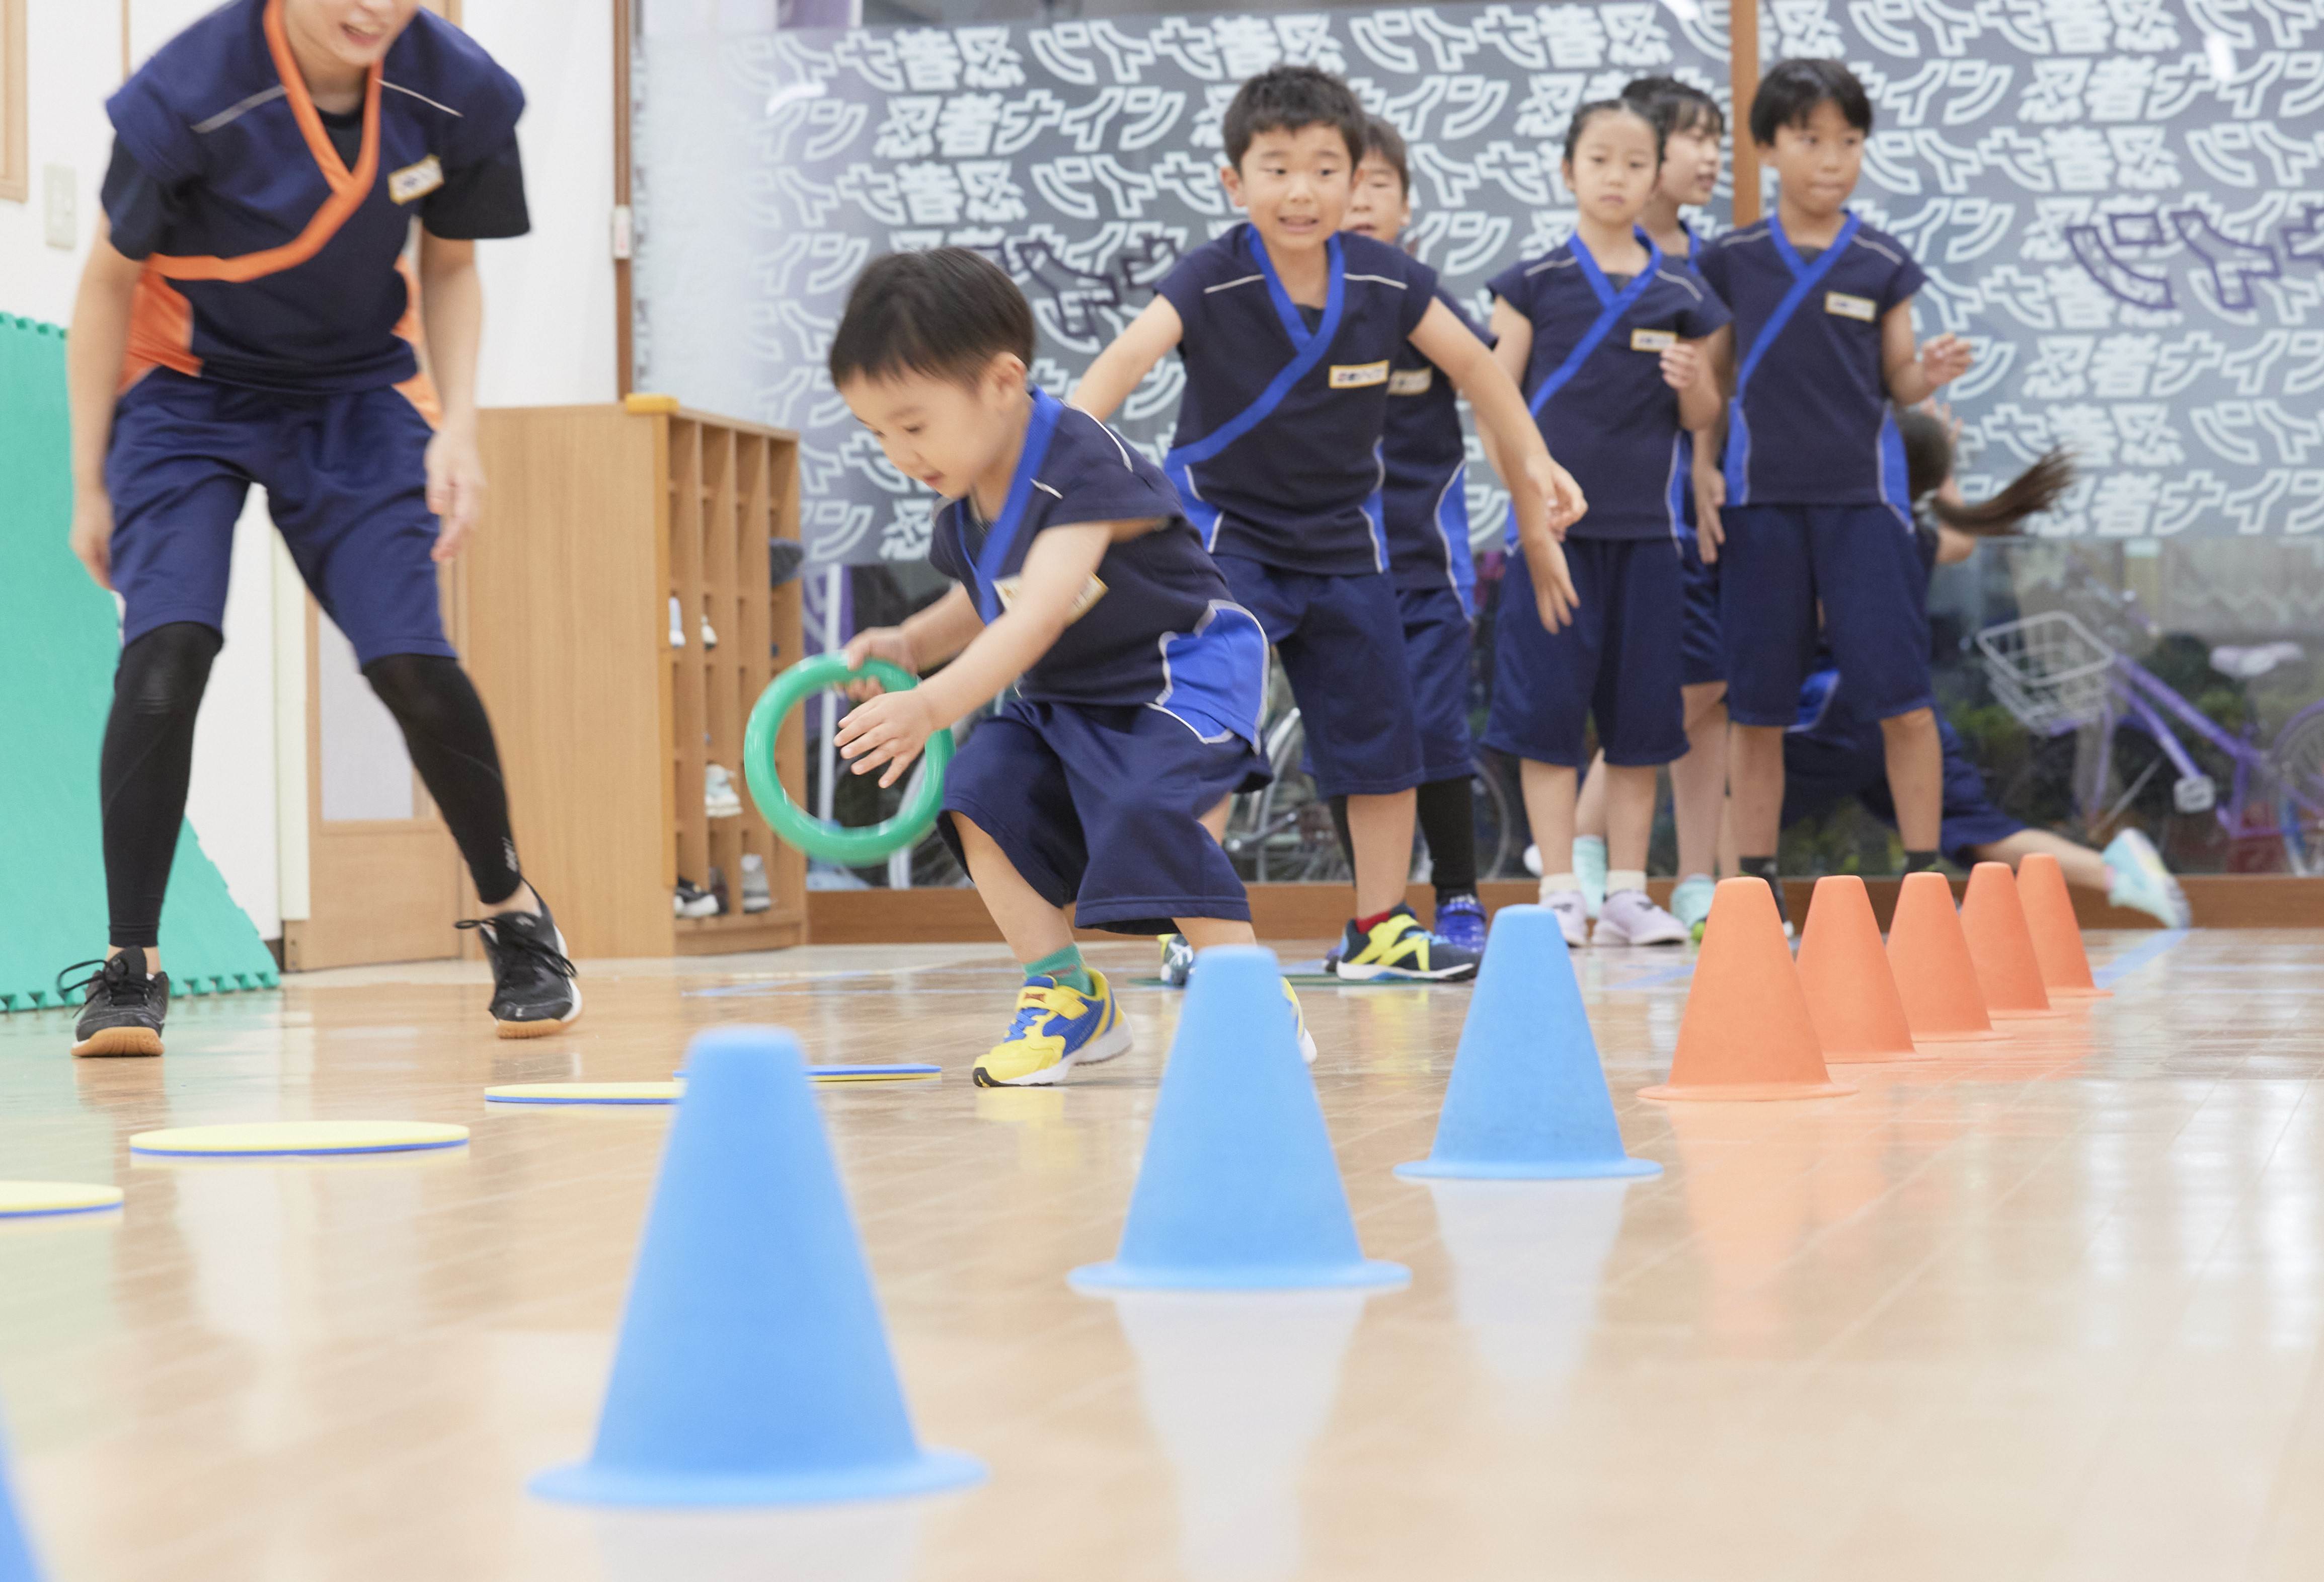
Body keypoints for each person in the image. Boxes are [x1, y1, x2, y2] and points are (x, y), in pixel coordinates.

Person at [59, 0, 576, 1057]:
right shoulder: (187, 94)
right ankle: (130, 966)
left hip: (353, 397)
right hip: (186, 390)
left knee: (410, 661)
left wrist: (457, 427)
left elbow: (450, 266)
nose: (370, 9)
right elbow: (107, 284)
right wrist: (90, 481)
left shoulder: (454, 88)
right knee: (168, 649)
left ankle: (515, 911)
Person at [1074, 65, 1585, 982]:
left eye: (1322, 168)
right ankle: (1192, 928)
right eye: (1275, 168)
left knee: (1380, 743)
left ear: (1356, 181)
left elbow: (1478, 369)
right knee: (1211, 731)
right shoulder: (1209, 278)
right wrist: (1069, 483)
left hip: (1350, 545)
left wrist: (1535, 458)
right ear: (1234, 184)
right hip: (1228, 543)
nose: (1300, 190)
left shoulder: (1389, 280)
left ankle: (1377, 927)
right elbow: (1118, 365)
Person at [827, 248, 1310, 1087]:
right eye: (877, 434)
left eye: (912, 424)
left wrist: (932, 703)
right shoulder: (966, 494)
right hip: (1066, 695)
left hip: (1179, 675)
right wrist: (912, 642)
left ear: (1002, 382)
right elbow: (990, 598)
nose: (899, 452)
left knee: (1144, 801)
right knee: (977, 797)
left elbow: (1042, 605)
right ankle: (1065, 994)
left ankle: (1242, 987)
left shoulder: (1078, 461)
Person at [1694, 58, 1974, 930]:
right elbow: (1709, 377)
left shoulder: (1882, 260)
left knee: (1899, 695)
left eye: (1847, 141)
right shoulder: (1730, 260)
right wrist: (1702, 467)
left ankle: (1925, 880)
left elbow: (1897, 375)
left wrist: (1918, 373)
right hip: (1759, 502)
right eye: (1810, 140)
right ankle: (1753, 886)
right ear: (1771, 147)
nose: (1831, 159)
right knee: (1758, 704)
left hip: (1865, 504)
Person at [1781, 409, 2190, 927]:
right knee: (1978, 829)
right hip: (1910, 711)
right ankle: (2118, 872)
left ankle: (1741, 908)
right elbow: (1965, 538)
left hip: (1838, 708)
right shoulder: (1909, 534)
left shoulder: (1851, 534)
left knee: (1740, 789)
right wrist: (1942, 466)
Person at [1482, 100, 1730, 947]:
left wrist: (1691, 375)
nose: (1617, 177)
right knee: (1546, 714)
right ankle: (1557, 887)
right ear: (1567, 171)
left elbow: (1705, 412)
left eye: (1634, 163)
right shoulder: (1529, 282)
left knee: (1640, 723)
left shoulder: (1679, 291)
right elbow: (1491, 401)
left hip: (1645, 542)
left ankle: (1626, 890)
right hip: (1551, 538)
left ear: (1653, 176)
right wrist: (1529, 515)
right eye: (1599, 160)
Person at [1563, 76, 1733, 941]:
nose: (1706, 157)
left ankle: (1698, 875)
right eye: (1689, 139)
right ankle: (1582, 842)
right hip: (1629, 515)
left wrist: (1709, 466)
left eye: (1715, 140)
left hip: (1702, 502)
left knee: (1718, 685)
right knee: (1679, 680)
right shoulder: (1580, 268)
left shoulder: (1703, 263)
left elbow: (1708, 385)